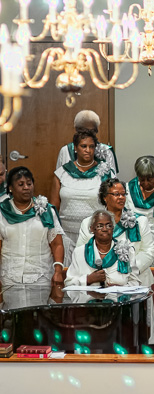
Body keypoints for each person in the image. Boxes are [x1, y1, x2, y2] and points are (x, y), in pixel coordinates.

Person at [76, 178, 154, 343]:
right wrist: (107, 274)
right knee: (105, 336)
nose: (121, 198)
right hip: (101, 287)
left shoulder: (139, 221)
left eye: (123, 194)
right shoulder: (89, 223)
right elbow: (81, 252)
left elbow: (149, 251)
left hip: (135, 284)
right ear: (104, 197)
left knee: (135, 335)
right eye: (116, 194)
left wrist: (127, 271)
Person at [0, 167, 65, 309]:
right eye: (21, 184)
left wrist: (58, 271)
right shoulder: (2, 211)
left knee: (39, 318)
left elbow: (57, 244)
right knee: (13, 319)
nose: (26, 188)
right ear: (10, 188)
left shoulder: (46, 211)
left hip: (40, 278)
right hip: (10, 279)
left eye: (29, 184)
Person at [50, 129, 116, 258]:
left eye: (91, 147)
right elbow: (54, 207)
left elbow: (113, 206)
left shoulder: (105, 172)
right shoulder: (62, 173)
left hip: (96, 234)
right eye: (83, 146)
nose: (88, 150)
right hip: (67, 233)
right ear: (75, 148)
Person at [65, 210, 138, 288]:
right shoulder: (80, 252)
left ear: (113, 228)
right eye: (100, 226)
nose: (105, 229)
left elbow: (135, 282)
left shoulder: (126, 251)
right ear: (92, 229)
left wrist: (121, 289)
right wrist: (88, 279)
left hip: (118, 295)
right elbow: (69, 283)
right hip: (88, 295)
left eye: (109, 225)